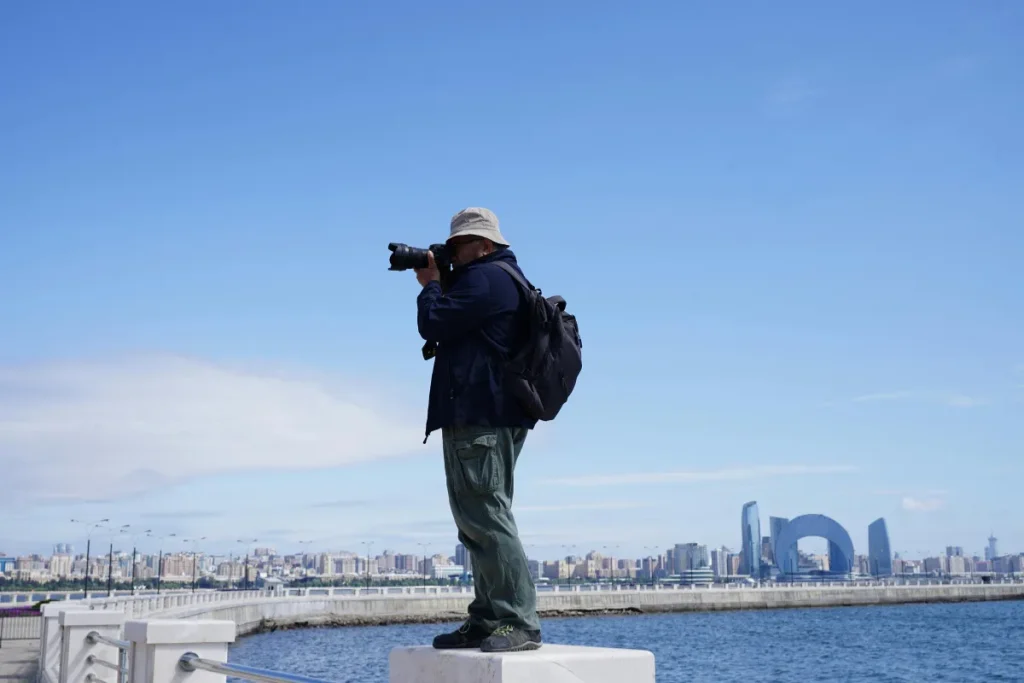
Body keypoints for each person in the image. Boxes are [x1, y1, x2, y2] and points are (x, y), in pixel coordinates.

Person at [413, 206, 542, 653]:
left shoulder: (488, 279)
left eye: (458, 246)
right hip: (487, 414)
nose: (453, 254)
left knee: (486, 516)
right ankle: (488, 618)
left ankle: (516, 620)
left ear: (484, 245)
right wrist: (445, 282)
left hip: (481, 416)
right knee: (476, 522)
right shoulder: (503, 279)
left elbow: (433, 323)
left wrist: (430, 288)